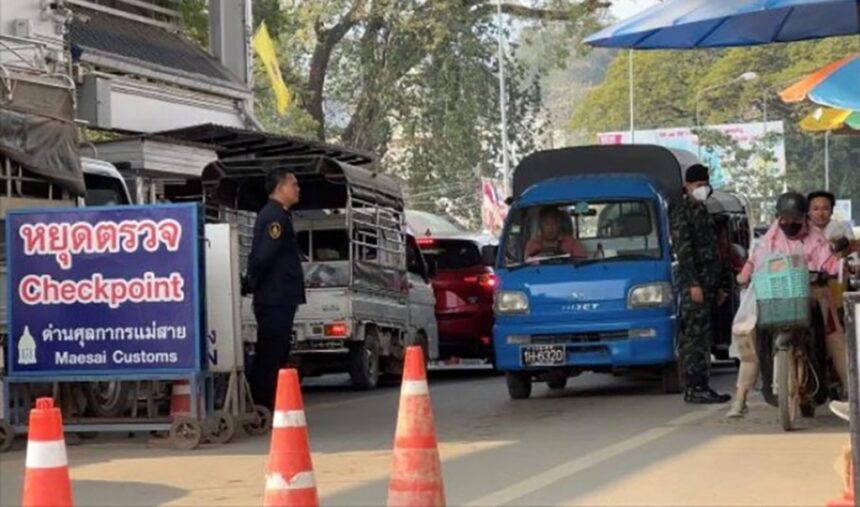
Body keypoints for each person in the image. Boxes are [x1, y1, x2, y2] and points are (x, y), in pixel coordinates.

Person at [727, 192, 844, 418]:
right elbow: (754, 261)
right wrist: (745, 274)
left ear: (804, 218)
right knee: (747, 338)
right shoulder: (769, 240)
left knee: (834, 337)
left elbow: (829, 262)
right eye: (784, 219)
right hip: (772, 296)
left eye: (795, 219)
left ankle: (851, 395)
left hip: (809, 294)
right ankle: (740, 399)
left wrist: (829, 269)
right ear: (778, 218)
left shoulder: (816, 240)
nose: (789, 223)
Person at [670, 164, 732, 404]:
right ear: (687, 186)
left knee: (704, 335)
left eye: (705, 184)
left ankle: (702, 383)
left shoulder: (703, 209)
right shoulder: (682, 211)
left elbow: (715, 251)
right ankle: (695, 385)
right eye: (697, 185)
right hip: (694, 284)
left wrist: (718, 287)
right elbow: (684, 252)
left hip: (709, 283)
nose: (702, 189)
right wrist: (693, 284)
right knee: (695, 336)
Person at [244, 170, 306, 410]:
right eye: (294, 184)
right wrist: (252, 282)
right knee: (270, 353)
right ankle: (262, 403)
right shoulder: (274, 217)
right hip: (274, 297)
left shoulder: (280, 215)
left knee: (278, 350)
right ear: (280, 188)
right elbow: (263, 257)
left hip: (279, 295)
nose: (298, 189)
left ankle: (268, 400)